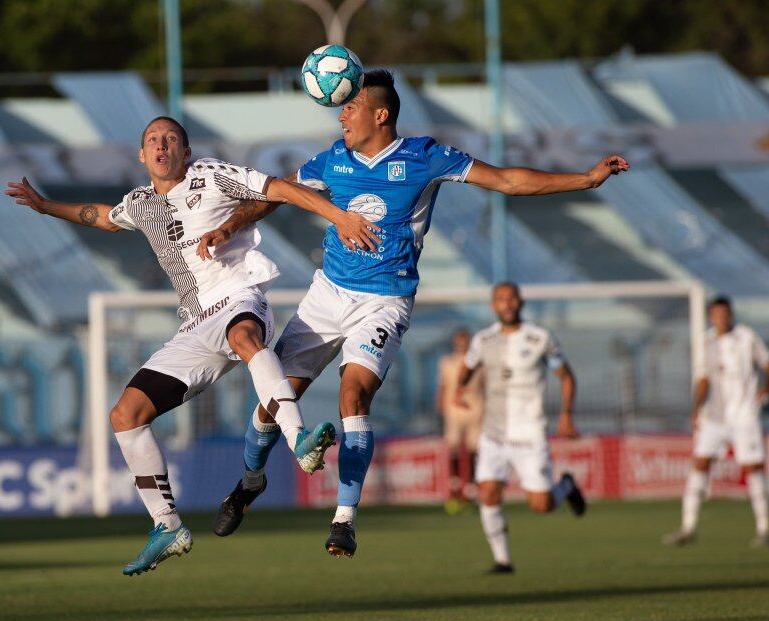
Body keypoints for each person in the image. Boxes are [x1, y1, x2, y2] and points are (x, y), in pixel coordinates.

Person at [210, 69, 628, 557]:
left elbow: (507, 180)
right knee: (272, 401)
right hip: (326, 296)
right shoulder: (333, 159)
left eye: (352, 105)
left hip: (385, 300)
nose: (341, 112)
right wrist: (230, 226)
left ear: (381, 114)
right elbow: (274, 194)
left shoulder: (425, 156)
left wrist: (586, 178)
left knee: (354, 397)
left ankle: (344, 519)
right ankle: (250, 482)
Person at [5, 116, 382, 575]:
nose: (161, 145)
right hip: (195, 324)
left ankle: (297, 436)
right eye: (152, 140)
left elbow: (279, 190)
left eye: (171, 139)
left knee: (244, 337)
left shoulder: (210, 175)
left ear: (185, 151)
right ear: (142, 155)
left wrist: (339, 216)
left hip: (240, 297)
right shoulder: (140, 203)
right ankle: (167, 525)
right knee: (125, 415)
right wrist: (45, 207)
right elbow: (101, 217)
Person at [457, 282, 586, 574]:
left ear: (520, 302)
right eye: (501, 299)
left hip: (530, 432)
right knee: (488, 492)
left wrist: (566, 416)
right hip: (493, 432)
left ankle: (566, 485)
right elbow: (468, 365)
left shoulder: (540, 338)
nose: (507, 304)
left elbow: (566, 377)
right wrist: (458, 389)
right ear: (493, 305)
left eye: (511, 298)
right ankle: (503, 560)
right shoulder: (483, 339)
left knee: (542, 505)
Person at [664, 296, 769, 548]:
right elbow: (703, 380)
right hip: (715, 417)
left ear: (731, 314)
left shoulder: (746, 337)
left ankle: (764, 527)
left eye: (726, 314)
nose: (722, 319)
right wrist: (696, 409)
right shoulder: (707, 342)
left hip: (744, 414)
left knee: (753, 468)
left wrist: (765, 391)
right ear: (711, 316)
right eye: (717, 315)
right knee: (699, 464)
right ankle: (688, 527)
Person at [437, 328, 483, 514]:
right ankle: (454, 490)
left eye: (465, 340)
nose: (462, 344)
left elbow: (487, 386)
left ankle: (470, 492)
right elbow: (443, 385)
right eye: (459, 340)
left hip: (476, 408)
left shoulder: (479, 362)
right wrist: (440, 404)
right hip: (454, 409)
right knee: (454, 448)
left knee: (474, 449)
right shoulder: (447, 362)